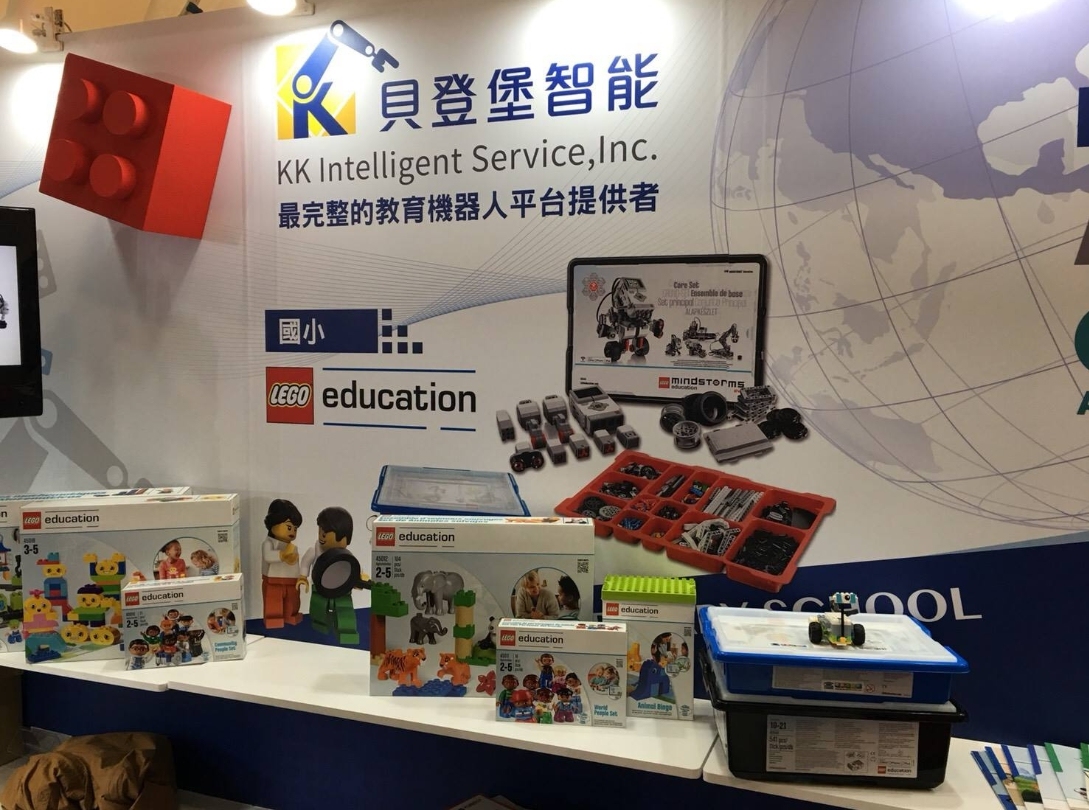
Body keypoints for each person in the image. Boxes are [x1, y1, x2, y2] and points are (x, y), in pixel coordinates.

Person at [306, 507, 369, 645]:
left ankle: (347, 632)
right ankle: (320, 625)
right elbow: (305, 563)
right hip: (320, 589)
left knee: (344, 610)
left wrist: (360, 579)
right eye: (321, 532)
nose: (321, 536)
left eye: (325, 534)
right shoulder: (314, 551)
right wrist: (302, 577)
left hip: (342, 590)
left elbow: (355, 570)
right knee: (318, 608)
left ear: (345, 538)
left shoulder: (346, 557)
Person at [261, 499, 306, 629]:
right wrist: (282, 555)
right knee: (273, 601)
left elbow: (295, 564)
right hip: (273, 580)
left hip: (291, 581)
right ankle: (273, 617)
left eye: (295, 529)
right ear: (273, 523)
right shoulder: (268, 543)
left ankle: (291, 615)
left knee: (292, 601)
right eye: (289, 527)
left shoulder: (292, 547)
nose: (292, 532)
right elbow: (268, 556)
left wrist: (301, 576)